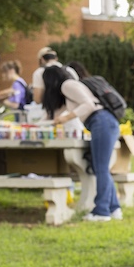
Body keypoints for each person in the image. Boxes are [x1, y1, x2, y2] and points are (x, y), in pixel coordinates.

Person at [41, 63, 121, 221]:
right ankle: (113, 208)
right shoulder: (67, 91)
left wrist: (67, 117)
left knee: (101, 168)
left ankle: (102, 211)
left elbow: (89, 105)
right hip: (100, 123)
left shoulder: (68, 85)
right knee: (101, 167)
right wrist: (34, 125)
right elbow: (55, 115)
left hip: (101, 121)